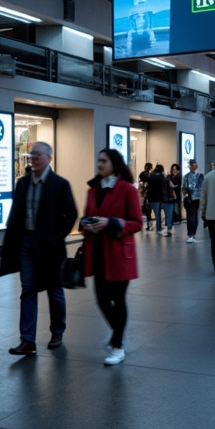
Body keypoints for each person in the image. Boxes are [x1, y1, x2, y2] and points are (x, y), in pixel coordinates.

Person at [0, 141, 77, 355]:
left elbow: (71, 214)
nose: (33, 159)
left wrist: (57, 236)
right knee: (28, 289)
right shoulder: (23, 183)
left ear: (49, 158)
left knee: (54, 289)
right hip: (27, 243)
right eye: (31, 155)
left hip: (50, 246)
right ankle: (27, 340)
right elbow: (17, 211)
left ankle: (57, 331)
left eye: (38, 155)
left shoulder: (60, 184)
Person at [80, 148, 143, 365]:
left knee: (118, 299)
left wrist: (111, 222)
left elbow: (137, 222)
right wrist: (87, 223)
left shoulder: (127, 189)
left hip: (118, 253)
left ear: (114, 164)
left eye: (103, 161)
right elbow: (86, 216)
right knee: (102, 300)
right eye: (98, 160)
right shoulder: (93, 189)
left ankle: (118, 346)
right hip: (97, 251)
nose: (99, 164)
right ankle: (118, 333)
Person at [181, 159, 204, 243]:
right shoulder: (186, 176)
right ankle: (190, 233)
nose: (193, 167)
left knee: (195, 215)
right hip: (190, 198)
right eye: (192, 165)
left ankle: (193, 232)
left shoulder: (199, 176)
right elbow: (183, 187)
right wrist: (186, 196)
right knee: (190, 216)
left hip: (197, 198)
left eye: (194, 165)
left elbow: (202, 187)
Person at [148, 164, 170, 235]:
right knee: (159, 214)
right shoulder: (161, 177)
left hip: (152, 198)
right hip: (160, 197)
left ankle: (157, 228)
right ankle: (159, 228)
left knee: (156, 213)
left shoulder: (151, 176)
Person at [138, 162, 153, 230]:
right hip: (149, 194)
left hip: (143, 194)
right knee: (148, 210)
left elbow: (140, 183)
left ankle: (146, 224)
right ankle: (149, 224)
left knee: (144, 210)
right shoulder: (151, 175)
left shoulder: (142, 174)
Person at [168, 162, 182, 227]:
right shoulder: (169, 176)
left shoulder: (179, 177)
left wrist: (173, 184)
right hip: (171, 194)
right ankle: (173, 219)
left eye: (175, 169)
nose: (174, 170)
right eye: (173, 169)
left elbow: (178, 185)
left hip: (177, 194)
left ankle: (178, 219)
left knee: (177, 207)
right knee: (171, 207)